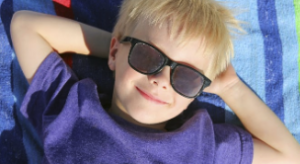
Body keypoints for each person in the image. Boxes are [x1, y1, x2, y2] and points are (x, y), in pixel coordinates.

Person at [10, 0, 300, 163]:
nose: (161, 80)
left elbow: (289, 156)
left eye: (186, 77)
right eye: (148, 56)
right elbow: (24, 25)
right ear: (114, 52)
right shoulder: (72, 111)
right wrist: (119, 46)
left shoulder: (200, 146)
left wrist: (231, 88)